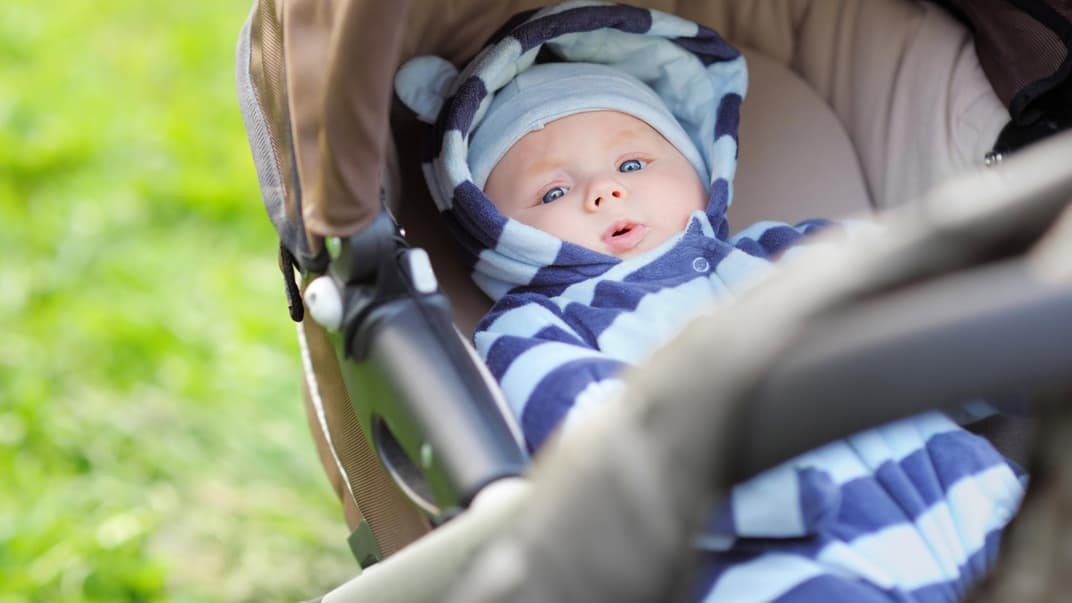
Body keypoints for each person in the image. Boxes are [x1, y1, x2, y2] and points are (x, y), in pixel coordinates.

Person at [395, 2, 1025, 600]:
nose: (605, 192)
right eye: (553, 193)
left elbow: (922, 320)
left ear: (700, 170)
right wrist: (748, 494)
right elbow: (595, 441)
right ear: (494, 231)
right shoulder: (535, 327)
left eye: (634, 164)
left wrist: (1020, 357)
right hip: (775, 559)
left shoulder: (786, 251)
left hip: (974, 501)